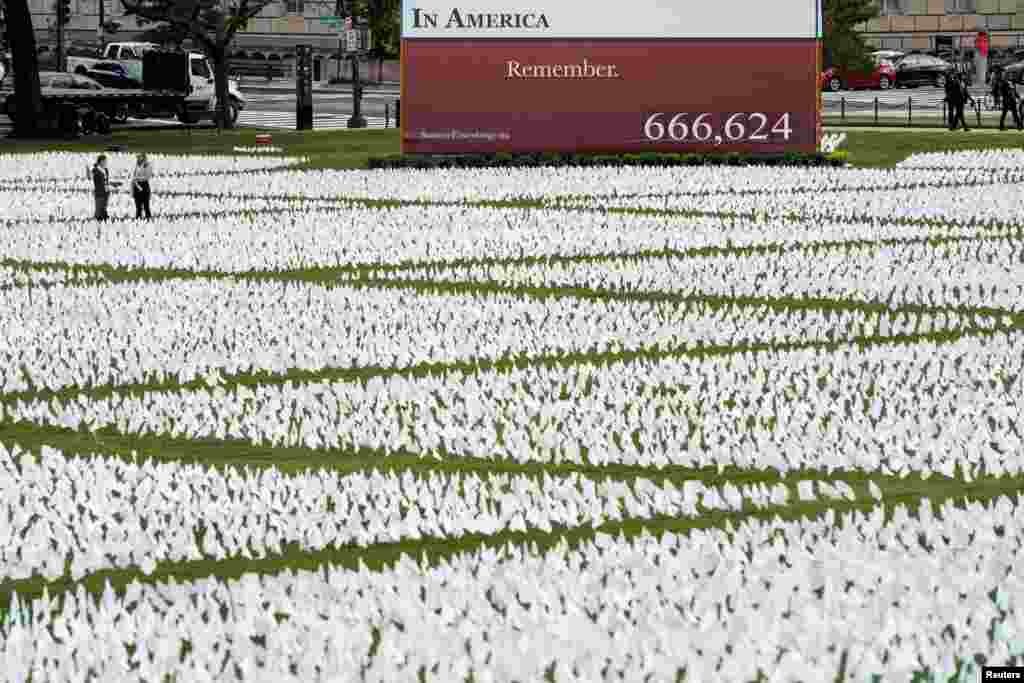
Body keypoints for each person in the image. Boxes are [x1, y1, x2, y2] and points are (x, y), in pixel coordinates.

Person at [132, 153, 153, 219]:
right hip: (136, 185)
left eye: (139, 157)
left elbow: (147, 176)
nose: (138, 158)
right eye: (137, 157)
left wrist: (138, 178)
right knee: (138, 206)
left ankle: (148, 218)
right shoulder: (137, 165)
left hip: (144, 186)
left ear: (143, 157)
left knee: (146, 205)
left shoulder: (147, 165)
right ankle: (138, 219)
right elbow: (134, 175)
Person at [92, 155, 111, 221]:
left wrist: (110, 186)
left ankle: (104, 219)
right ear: (101, 161)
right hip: (99, 192)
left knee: (104, 207)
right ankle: (97, 220)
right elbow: (97, 182)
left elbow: (106, 180)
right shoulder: (96, 170)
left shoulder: (106, 170)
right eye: (105, 161)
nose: (106, 163)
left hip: (106, 191)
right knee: (99, 208)